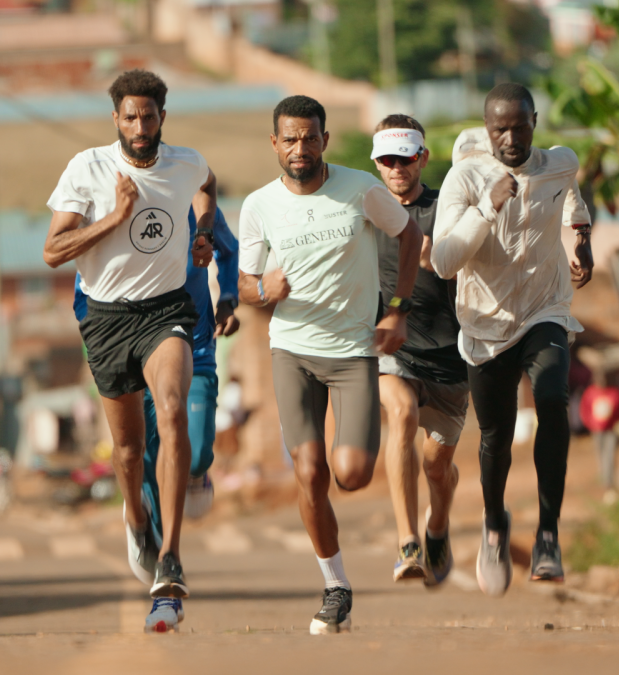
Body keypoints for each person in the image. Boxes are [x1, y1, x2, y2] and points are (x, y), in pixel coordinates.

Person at [237, 95, 422, 634]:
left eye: (310, 137)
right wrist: (261, 289)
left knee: (352, 474)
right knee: (310, 471)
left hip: (354, 353)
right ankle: (335, 586)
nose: (300, 148)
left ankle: (344, 536)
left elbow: (409, 236)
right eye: (289, 139)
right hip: (292, 349)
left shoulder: (360, 189)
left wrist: (398, 310)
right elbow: (244, 284)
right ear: (275, 143)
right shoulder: (259, 206)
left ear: (325, 139)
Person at [43, 69, 218, 633]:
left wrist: (204, 229)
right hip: (107, 319)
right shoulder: (87, 168)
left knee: (171, 411)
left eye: (149, 116)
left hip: (167, 311)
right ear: (115, 118)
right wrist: (115, 218)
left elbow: (208, 185)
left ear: (163, 116)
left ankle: (169, 558)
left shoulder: (186, 162)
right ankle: (137, 519)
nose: (140, 126)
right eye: (130, 116)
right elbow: (52, 251)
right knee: (126, 451)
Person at [431, 83, 593, 597]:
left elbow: (573, 204)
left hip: (545, 308)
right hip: (485, 324)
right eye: (499, 128)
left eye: (519, 126)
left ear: (534, 122)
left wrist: (582, 242)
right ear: (486, 129)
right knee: (495, 439)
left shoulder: (559, 163)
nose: (509, 137)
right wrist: (487, 207)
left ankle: (548, 534)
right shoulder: (465, 177)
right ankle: (494, 522)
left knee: (552, 398)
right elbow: (443, 261)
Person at [73, 206, 240, 540]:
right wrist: (100, 339)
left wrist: (228, 298)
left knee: (193, 455)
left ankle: (195, 473)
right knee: (143, 457)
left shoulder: (192, 201)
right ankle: (157, 547)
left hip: (195, 348)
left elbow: (228, 248)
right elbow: (84, 289)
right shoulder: (112, 211)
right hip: (132, 357)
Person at [369, 115, 468, 587]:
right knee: (402, 414)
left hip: (451, 353)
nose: (396, 168)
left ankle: (438, 524)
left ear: (422, 158)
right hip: (394, 347)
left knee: (436, 465)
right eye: (387, 160)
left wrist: (439, 260)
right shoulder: (366, 213)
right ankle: (408, 541)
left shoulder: (446, 209)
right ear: (376, 164)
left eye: (404, 159)